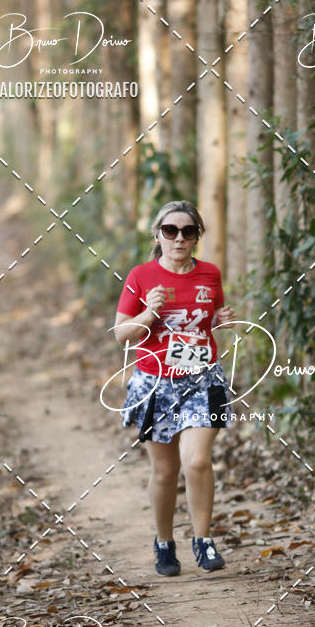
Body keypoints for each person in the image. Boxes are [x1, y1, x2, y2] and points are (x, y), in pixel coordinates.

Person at [114, 201, 236, 577]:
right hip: (155, 384)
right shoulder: (141, 276)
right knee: (165, 472)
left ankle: (203, 540)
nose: (179, 238)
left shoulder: (211, 275)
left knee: (197, 460)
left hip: (205, 381)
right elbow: (121, 335)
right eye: (170, 231)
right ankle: (165, 543)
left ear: (198, 236)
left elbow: (207, 319)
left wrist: (220, 319)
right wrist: (148, 314)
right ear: (158, 235)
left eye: (187, 231)